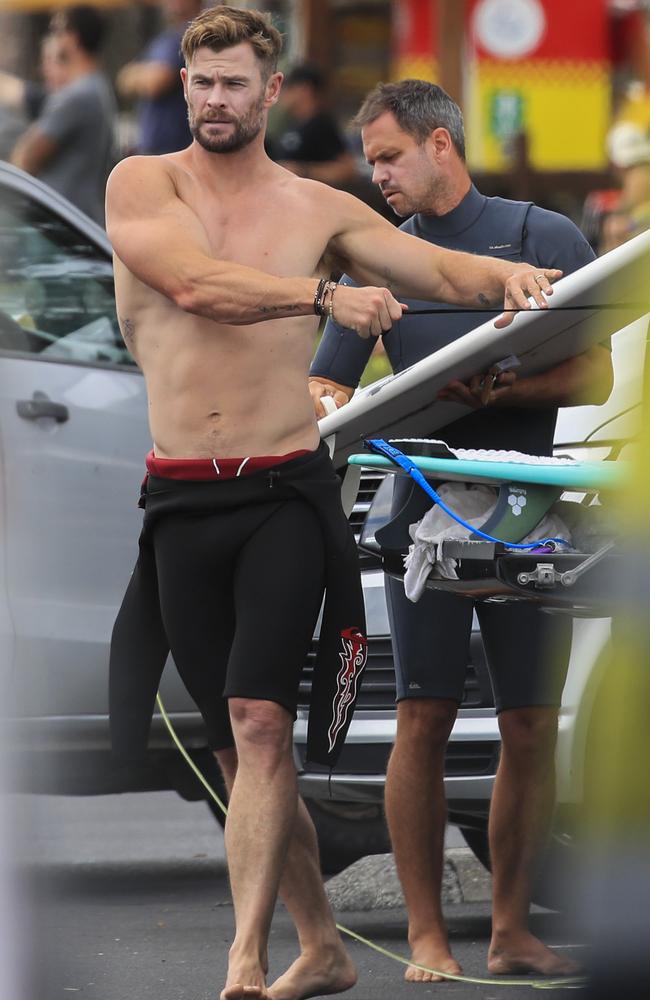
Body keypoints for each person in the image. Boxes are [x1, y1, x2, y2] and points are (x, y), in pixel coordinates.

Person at [105, 9, 563, 998]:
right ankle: (317, 938)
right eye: (200, 81)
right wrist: (320, 300)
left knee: (258, 721)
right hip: (183, 496)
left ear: (270, 94)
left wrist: (514, 278)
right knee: (235, 745)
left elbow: (435, 266)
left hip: (283, 490)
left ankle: (241, 960)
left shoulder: (319, 207)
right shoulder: (145, 183)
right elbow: (190, 283)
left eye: (234, 83)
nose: (213, 99)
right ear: (184, 87)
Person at [310, 79, 614, 983]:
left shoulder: (539, 238)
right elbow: (330, 381)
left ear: (441, 146)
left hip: (524, 511)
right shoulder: (384, 258)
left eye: (390, 157)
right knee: (423, 714)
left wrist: (505, 393)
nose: (379, 178)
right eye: (370, 163)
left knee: (527, 723)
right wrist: (322, 401)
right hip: (424, 515)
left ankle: (512, 929)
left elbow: (594, 373)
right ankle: (427, 935)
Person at [10, 6, 115, 225]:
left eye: (55, 29)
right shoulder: (93, 88)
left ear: (72, 38)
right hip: (76, 218)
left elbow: (26, 158)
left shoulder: (79, 95)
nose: (52, 36)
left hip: (63, 224)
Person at [117, 0, 202, 155]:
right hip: (151, 149)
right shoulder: (164, 39)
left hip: (176, 149)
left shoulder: (196, 37)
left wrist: (142, 75)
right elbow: (123, 78)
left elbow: (156, 82)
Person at [271, 62, 358, 185]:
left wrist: (302, 171)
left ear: (304, 90)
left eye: (287, 88)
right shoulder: (293, 124)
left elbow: (347, 169)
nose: (282, 94)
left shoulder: (321, 125)